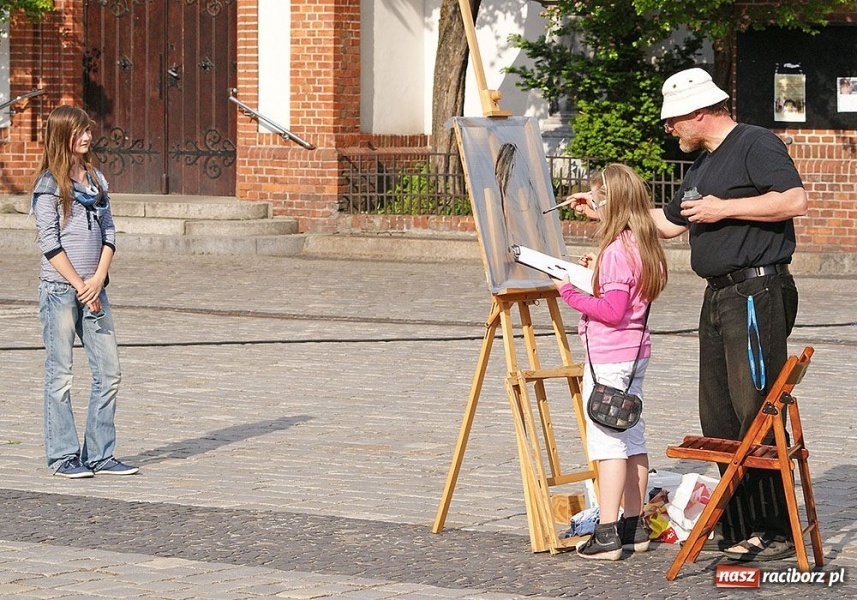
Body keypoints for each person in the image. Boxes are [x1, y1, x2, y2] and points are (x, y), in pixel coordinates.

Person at [652, 67, 807, 561]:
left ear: (699, 112)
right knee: (717, 414)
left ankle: (775, 528)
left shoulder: (755, 143)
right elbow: (667, 225)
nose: (669, 128)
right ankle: (740, 523)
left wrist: (726, 211)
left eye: (673, 119)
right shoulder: (701, 167)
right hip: (717, 297)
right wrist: (610, 206)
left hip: (755, 292)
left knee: (754, 409)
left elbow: (794, 200)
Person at [554, 163, 668, 560]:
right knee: (631, 439)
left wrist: (569, 292)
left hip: (610, 357)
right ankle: (634, 527)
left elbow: (613, 309)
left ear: (612, 202)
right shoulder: (641, 242)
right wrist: (595, 273)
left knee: (608, 445)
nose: (594, 208)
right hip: (634, 354)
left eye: (598, 200)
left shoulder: (618, 250)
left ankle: (606, 533)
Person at [32, 105, 139, 478]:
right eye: (79, 132)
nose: (87, 137)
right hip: (61, 291)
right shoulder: (50, 185)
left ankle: (99, 454)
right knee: (60, 375)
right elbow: (49, 243)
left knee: (109, 372)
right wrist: (80, 285)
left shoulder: (95, 178)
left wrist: (97, 280)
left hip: (94, 289)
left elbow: (109, 232)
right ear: (62, 136)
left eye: (88, 131)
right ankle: (63, 456)